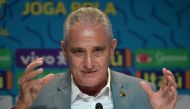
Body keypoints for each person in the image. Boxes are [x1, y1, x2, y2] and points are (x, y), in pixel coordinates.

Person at [12, 7, 177, 109]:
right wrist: (21, 107)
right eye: (78, 51)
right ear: (64, 51)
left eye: (97, 50)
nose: (89, 63)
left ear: (112, 49)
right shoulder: (40, 95)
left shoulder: (143, 94)